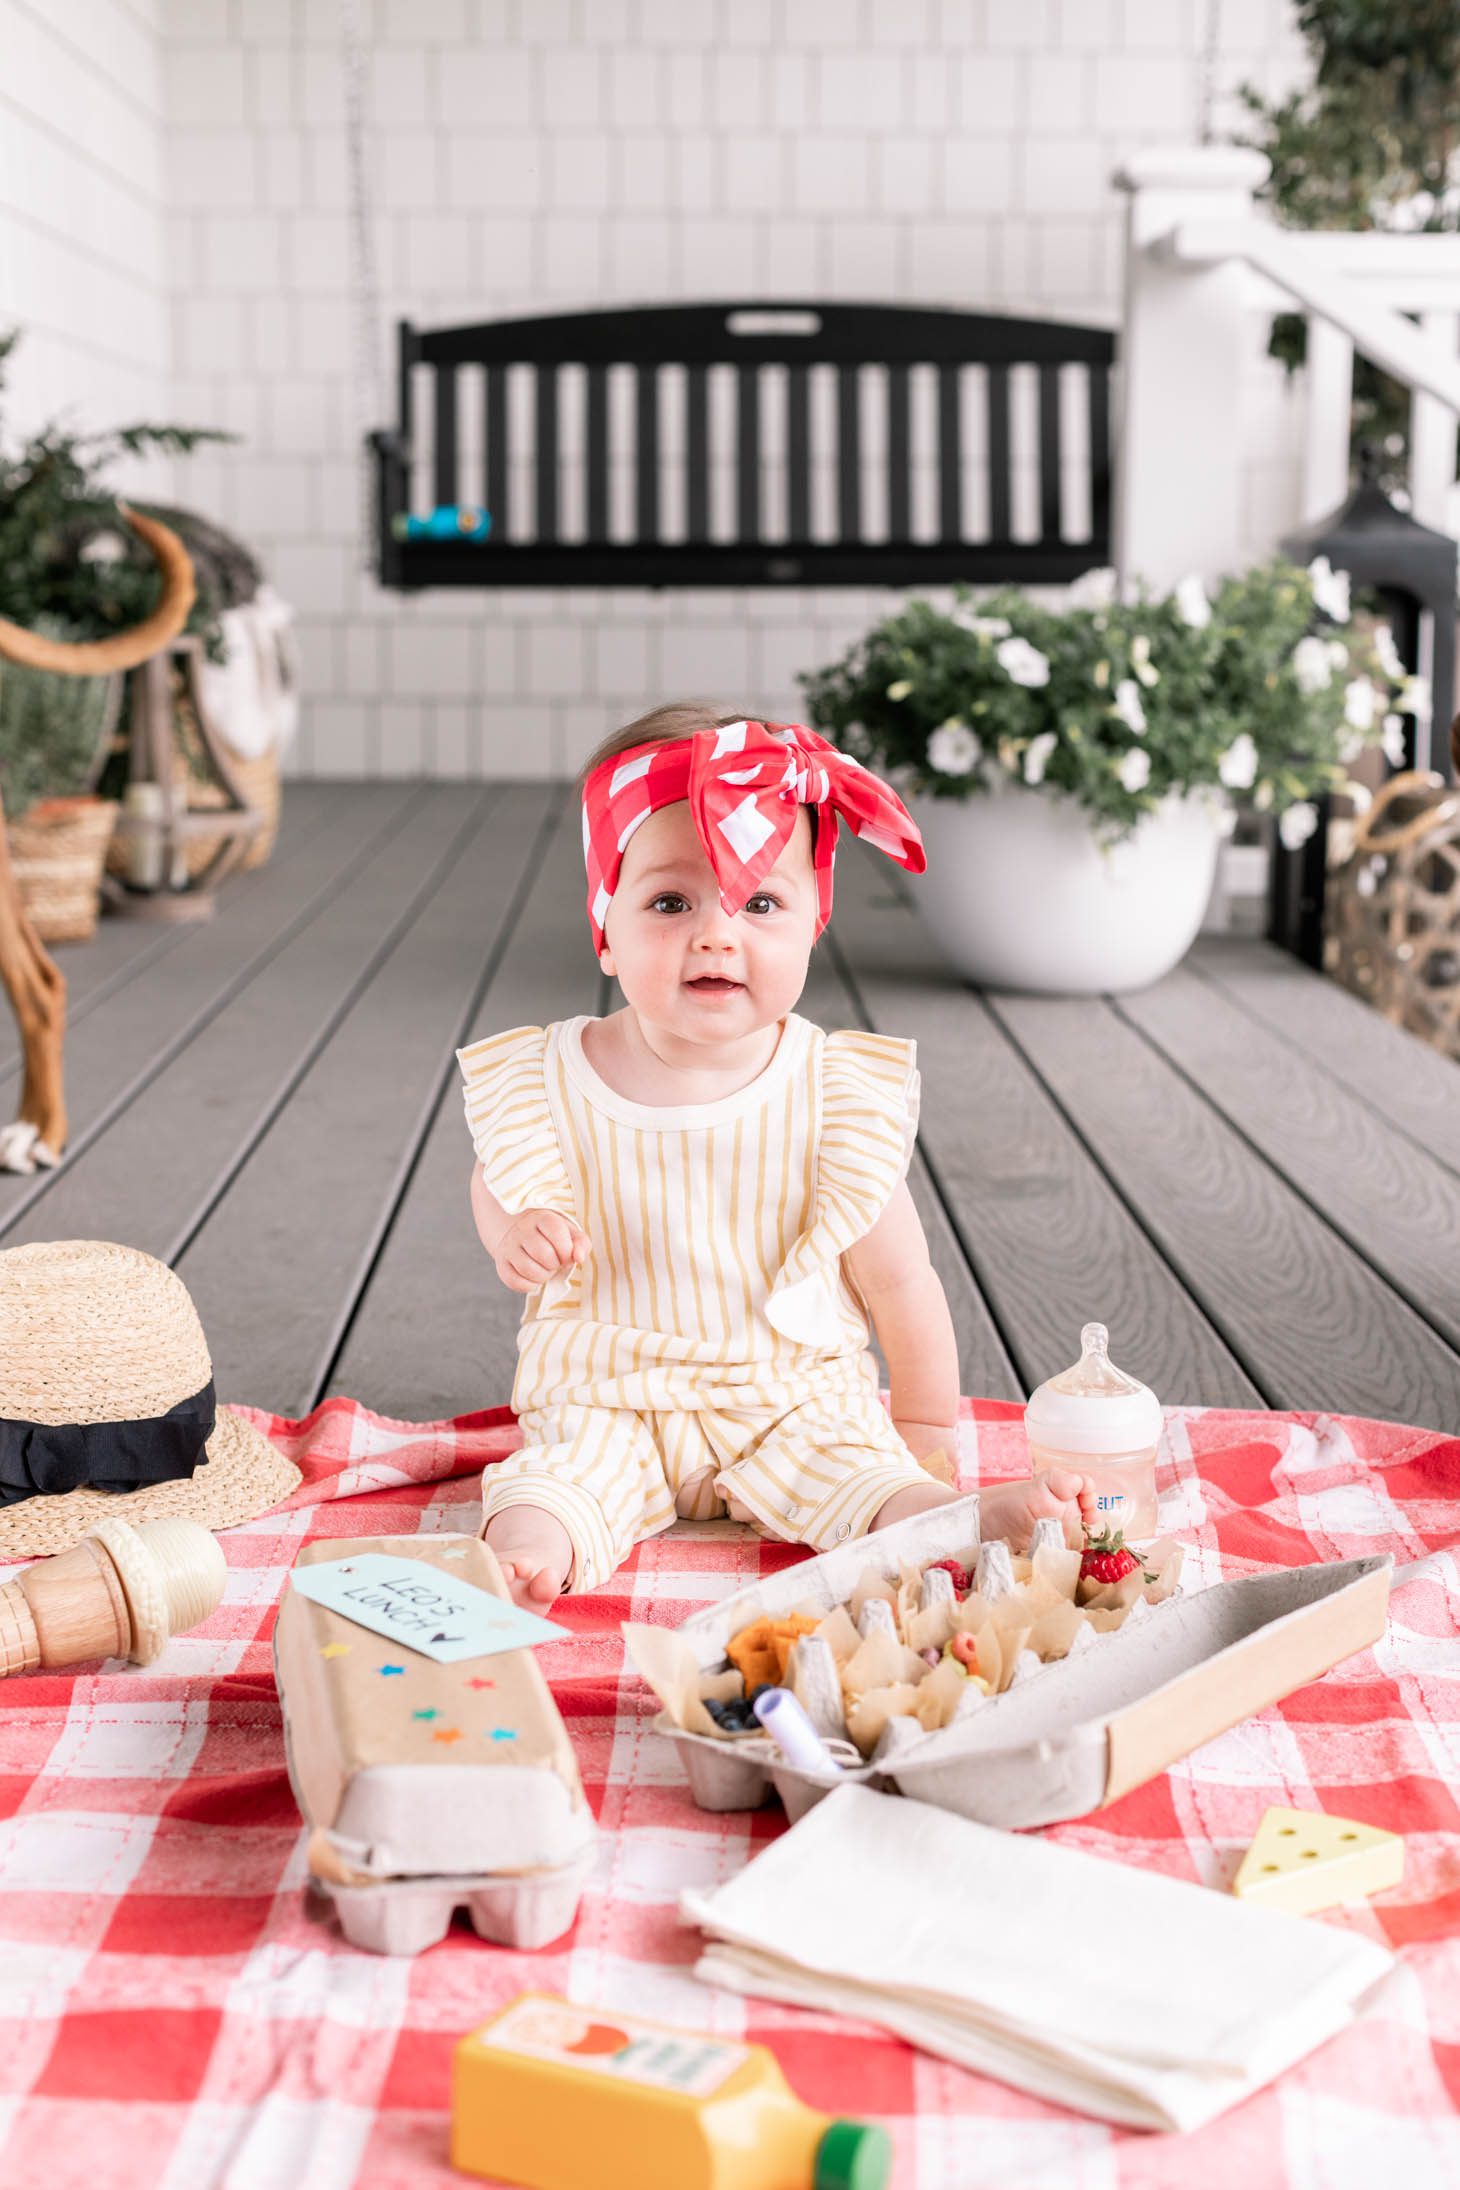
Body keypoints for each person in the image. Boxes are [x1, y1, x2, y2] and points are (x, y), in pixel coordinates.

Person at [460, 704, 1090, 1608]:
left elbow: (902, 1285)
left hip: (787, 1398)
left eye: (760, 903)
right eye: (671, 902)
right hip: (610, 1394)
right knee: (556, 1477)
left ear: (812, 925)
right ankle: (526, 1557)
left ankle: (958, 1517)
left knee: (864, 1478)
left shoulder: (831, 1095)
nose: (718, 934)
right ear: (608, 919)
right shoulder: (552, 1076)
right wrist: (512, 1227)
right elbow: (501, 1174)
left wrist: (916, 1436)